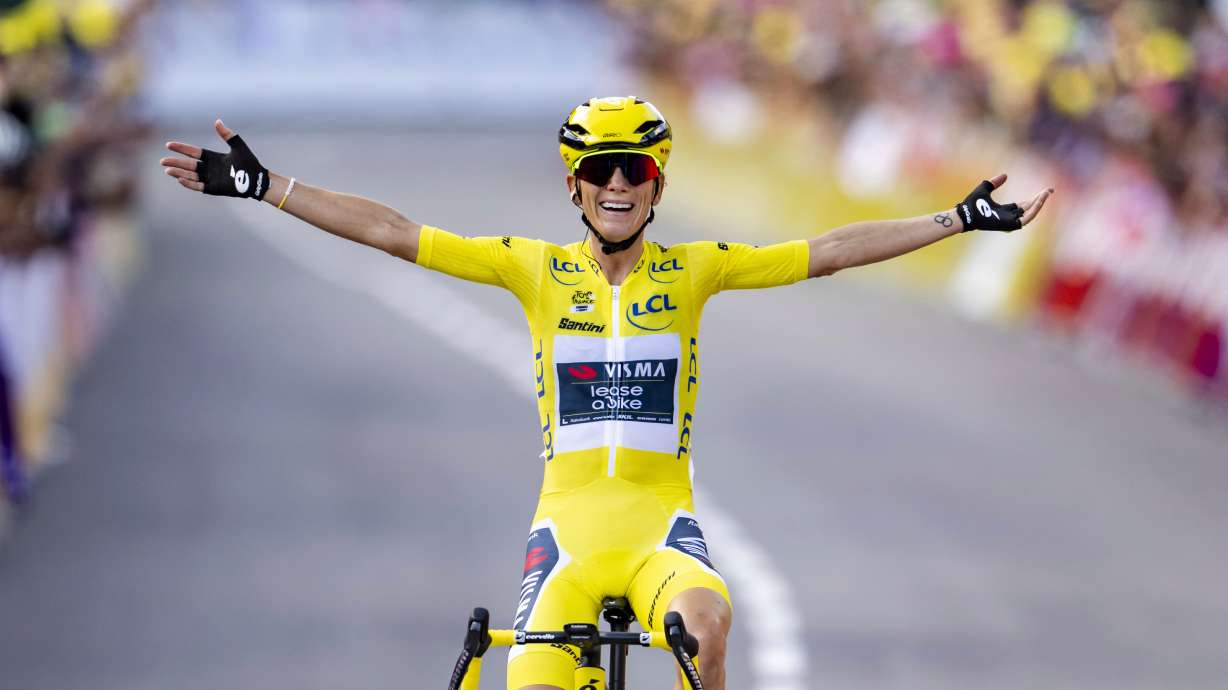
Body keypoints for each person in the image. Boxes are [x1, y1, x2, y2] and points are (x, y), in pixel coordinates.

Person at [159, 96, 1053, 690]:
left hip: (661, 528)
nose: (618, 183)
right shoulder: (531, 268)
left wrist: (957, 220)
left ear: (657, 183)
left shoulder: (695, 270)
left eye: (634, 170)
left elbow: (830, 249)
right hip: (567, 536)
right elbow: (394, 232)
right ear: (574, 185)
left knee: (705, 624)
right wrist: (264, 185)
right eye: (601, 170)